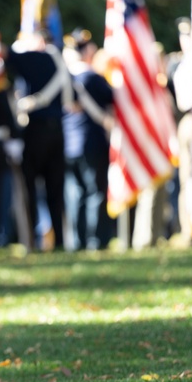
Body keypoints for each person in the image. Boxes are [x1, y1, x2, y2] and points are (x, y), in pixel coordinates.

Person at [6, 30, 75, 250]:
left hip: (35, 130)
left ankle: (31, 241)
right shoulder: (58, 60)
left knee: (29, 188)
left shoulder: (34, 58)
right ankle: (60, 241)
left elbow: (8, 56)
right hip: (57, 130)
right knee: (56, 190)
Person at [63, 30, 115, 250]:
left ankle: (78, 240)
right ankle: (96, 240)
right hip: (91, 142)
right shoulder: (91, 77)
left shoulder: (65, 77)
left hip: (69, 145)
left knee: (76, 193)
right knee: (95, 192)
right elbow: (114, 97)